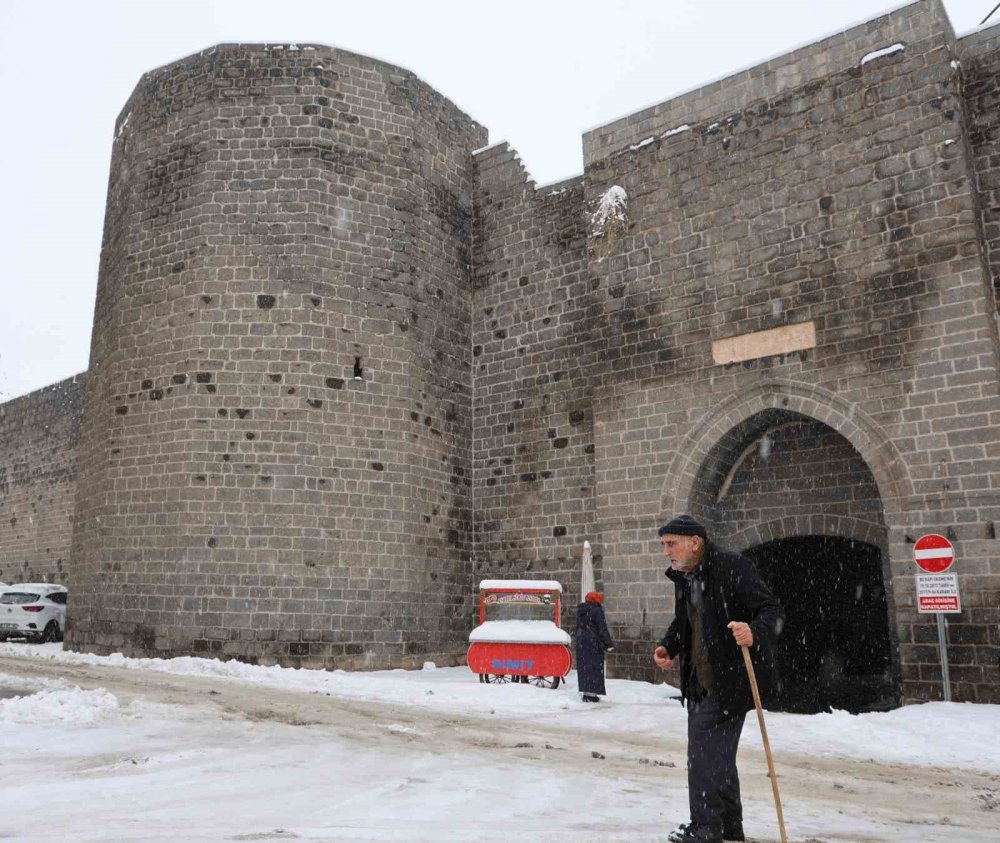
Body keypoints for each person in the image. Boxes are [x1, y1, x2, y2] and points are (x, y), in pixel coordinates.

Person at [653, 515, 784, 843]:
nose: (666, 551)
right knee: (718, 760)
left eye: (671, 544)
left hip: (729, 683)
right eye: (664, 545)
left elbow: (772, 610)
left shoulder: (731, 567)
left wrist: (753, 630)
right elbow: (684, 619)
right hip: (699, 685)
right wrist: (669, 646)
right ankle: (728, 829)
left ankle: (705, 830)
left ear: (695, 542)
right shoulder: (686, 577)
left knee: (703, 760)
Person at [575, 591, 614, 702]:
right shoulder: (597, 610)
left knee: (585, 668)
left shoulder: (581, 610)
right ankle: (592, 695)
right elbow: (602, 629)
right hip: (593, 643)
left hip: (581, 643)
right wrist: (608, 644)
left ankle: (586, 693)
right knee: (594, 667)